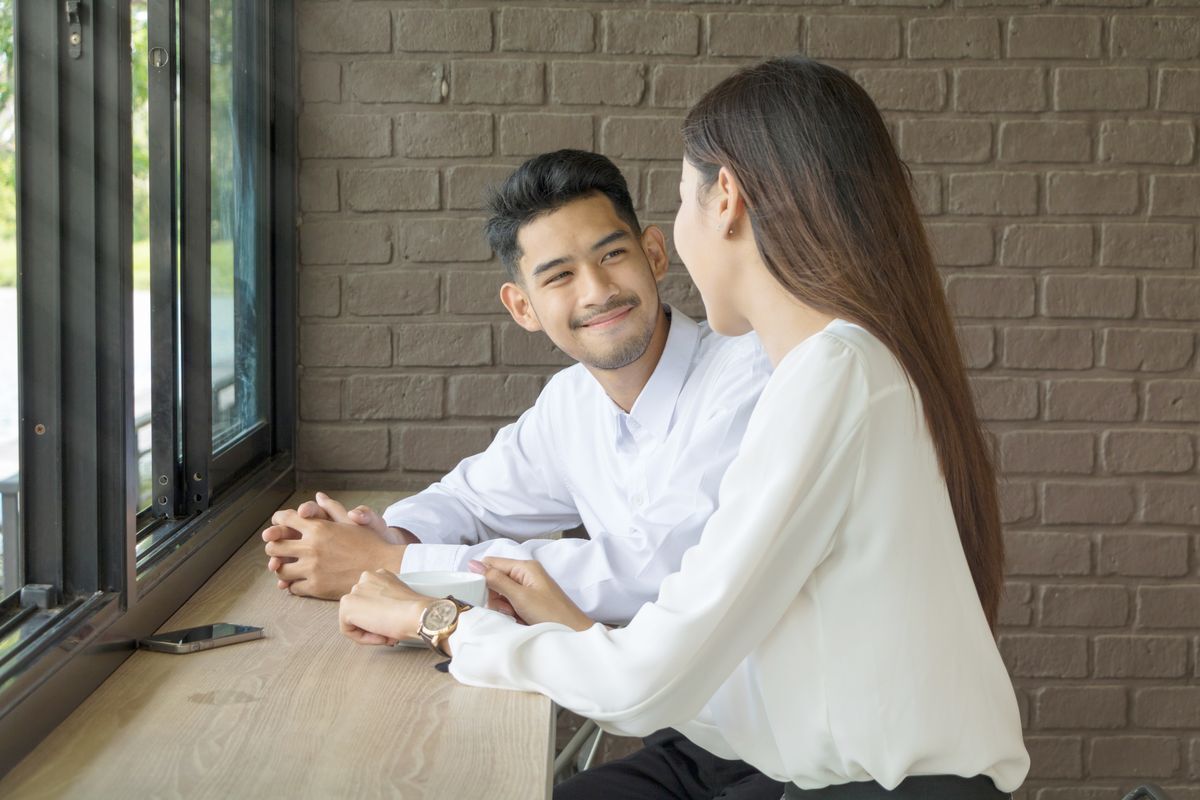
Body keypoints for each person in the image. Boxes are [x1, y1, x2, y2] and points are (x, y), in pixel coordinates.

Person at [329, 57, 1031, 799]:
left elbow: (647, 684)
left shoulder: (831, 377)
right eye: (559, 275)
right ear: (522, 302)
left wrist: (435, 618)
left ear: (724, 199)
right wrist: (563, 623)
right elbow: (691, 686)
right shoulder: (835, 367)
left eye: (680, 202)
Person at [268, 151, 784, 798]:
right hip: (689, 738)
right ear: (523, 307)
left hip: (784, 753)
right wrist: (380, 538)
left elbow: (654, 568)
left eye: (612, 255)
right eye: (560, 275)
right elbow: (469, 498)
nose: (596, 290)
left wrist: (398, 570)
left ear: (654, 255)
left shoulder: (746, 374)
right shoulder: (571, 404)